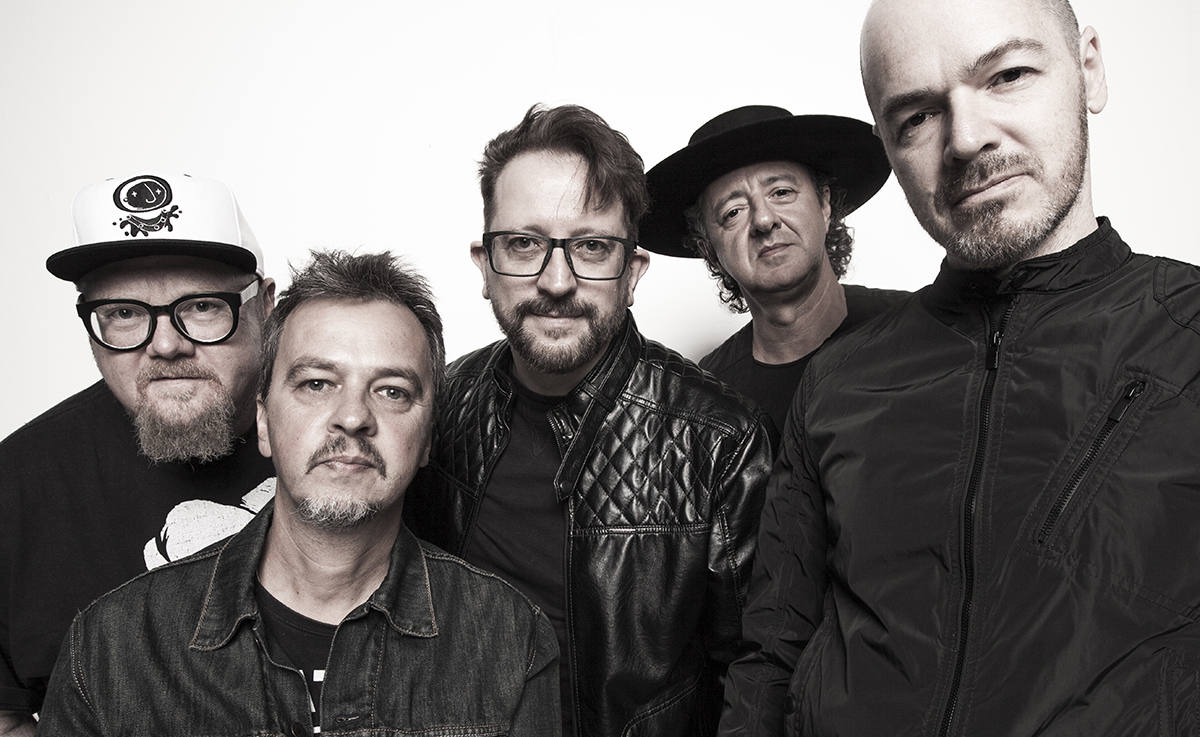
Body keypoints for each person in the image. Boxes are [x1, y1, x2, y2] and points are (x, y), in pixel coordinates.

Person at [720, 0, 1200, 734]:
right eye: (917, 116)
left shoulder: (1186, 333)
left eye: (1007, 76)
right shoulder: (840, 380)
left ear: (1089, 70)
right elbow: (770, 658)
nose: (967, 139)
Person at [37, 250, 560, 736]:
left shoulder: (509, 638)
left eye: (392, 391)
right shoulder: (111, 646)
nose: (352, 417)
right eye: (316, 384)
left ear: (427, 437)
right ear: (264, 421)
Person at [404, 104, 774, 737]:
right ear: (485, 266)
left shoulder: (720, 441)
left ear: (632, 274)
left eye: (592, 247)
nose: (556, 281)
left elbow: (758, 674)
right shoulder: (444, 403)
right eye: (524, 243)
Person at [0, 172, 278, 736]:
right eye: (124, 313)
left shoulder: (351, 437)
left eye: (202, 306)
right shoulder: (16, 486)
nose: (166, 345)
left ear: (265, 306)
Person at [641, 106, 906, 437]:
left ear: (824, 204)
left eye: (781, 192)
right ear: (709, 249)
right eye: (733, 212)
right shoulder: (702, 405)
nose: (764, 220)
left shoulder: (920, 331)